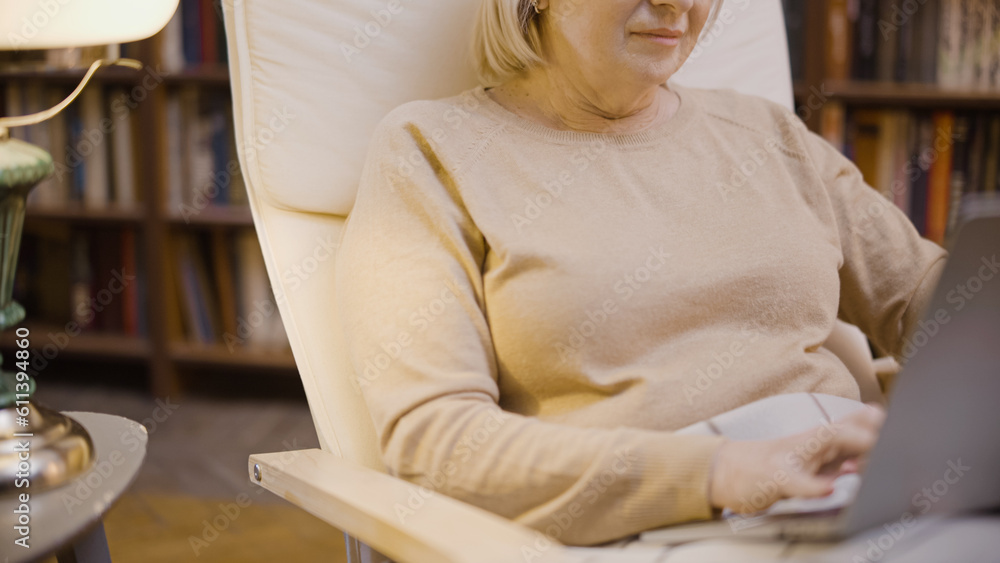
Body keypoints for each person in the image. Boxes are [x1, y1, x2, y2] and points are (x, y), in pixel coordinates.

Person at [334, 0, 945, 546]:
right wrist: (721, 471)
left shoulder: (768, 133)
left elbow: (930, 297)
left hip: (849, 490)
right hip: (657, 525)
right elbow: (437, 441)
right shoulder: (429, 151)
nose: (678, 4)